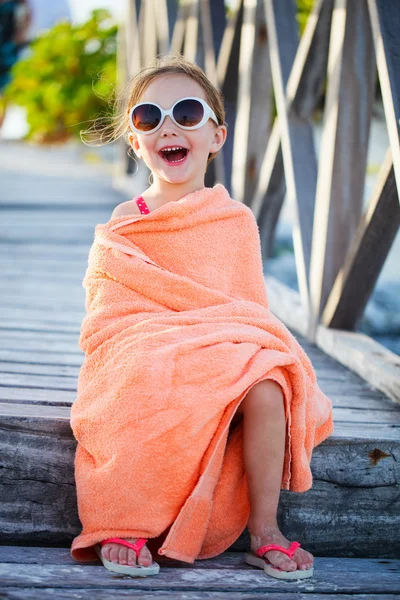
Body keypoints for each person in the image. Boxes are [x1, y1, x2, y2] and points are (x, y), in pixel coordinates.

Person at [70, 53, 334, 581]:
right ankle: (125, 517)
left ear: (216, 136)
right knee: (139, 374)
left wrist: (231, 347)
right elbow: (110, 312)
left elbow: (247, 313)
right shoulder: (128, 220)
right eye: (149, 118)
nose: (169, 126)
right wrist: (158, 338)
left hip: (220, 346)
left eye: (187, 113)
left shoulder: (233, 221)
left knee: (268, 382)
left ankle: (266, 531)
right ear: (135, 143)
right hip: (143, 340)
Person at [0, 0, 31, 129]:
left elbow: (28, 12)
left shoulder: (16, 3)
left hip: (8, 47)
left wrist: (21, 34)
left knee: (5, 87)